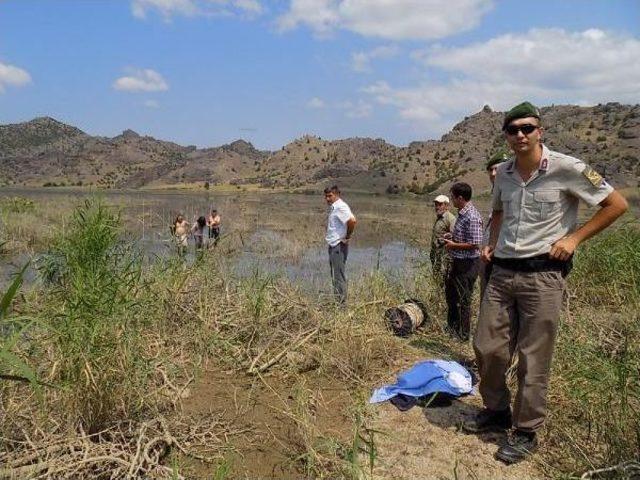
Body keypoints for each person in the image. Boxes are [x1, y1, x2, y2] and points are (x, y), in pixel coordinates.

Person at [463, 101, 628, 464]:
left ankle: (525, 431)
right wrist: (491, 243)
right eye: (513, 130)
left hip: (543, 275)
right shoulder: (503, 174)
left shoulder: (569, 168)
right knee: (486, 346)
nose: (520, 135)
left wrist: (573, 239)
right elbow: (499, 211)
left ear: (540, 131)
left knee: (532, 356)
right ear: (506, 136)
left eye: (527, 128)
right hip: (503, 272)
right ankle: (497, 410)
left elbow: (616, 204)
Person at [443, 183, 483, 341]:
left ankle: (464, 335)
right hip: (458, 261)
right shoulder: (462, 213)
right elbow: (464, 238)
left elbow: (475, 243)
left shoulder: (472, 216)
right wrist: (451, 237)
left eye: (452, 197)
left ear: (460, 198)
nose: (451, 200)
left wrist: (453, 245)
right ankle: (452, 328)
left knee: (463, 299)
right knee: (451, 295)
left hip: (468, 264)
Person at [480, 150, 509, 296]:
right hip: (488, 259)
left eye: (497, 169)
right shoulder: (495, 194)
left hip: (501, 262)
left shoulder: (514, 193)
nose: (493, 173)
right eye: (490, 170)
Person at [324, 185, 356, 303]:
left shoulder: (340, 207)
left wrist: (347, 237)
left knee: (339, 276)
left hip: (338, 246)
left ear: (337, 194)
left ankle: (341, 307)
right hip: (334, 245)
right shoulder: (334, 207)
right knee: (336, 275)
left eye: (330, 196)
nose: (327, 198)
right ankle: (338, 302)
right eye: (326, 196)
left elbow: (352, 221)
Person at [429, 194, 456, 284]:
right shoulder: (440, 218)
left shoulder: (450, 218)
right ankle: (437, 295)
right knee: (436, 277)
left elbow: (454, 236)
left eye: (440, 204)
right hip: (437, 254)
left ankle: (441, 295)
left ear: (446, 206)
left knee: (443, 278)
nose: (437, 207)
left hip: (444, 256)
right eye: (436, 204)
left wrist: (446, 238)